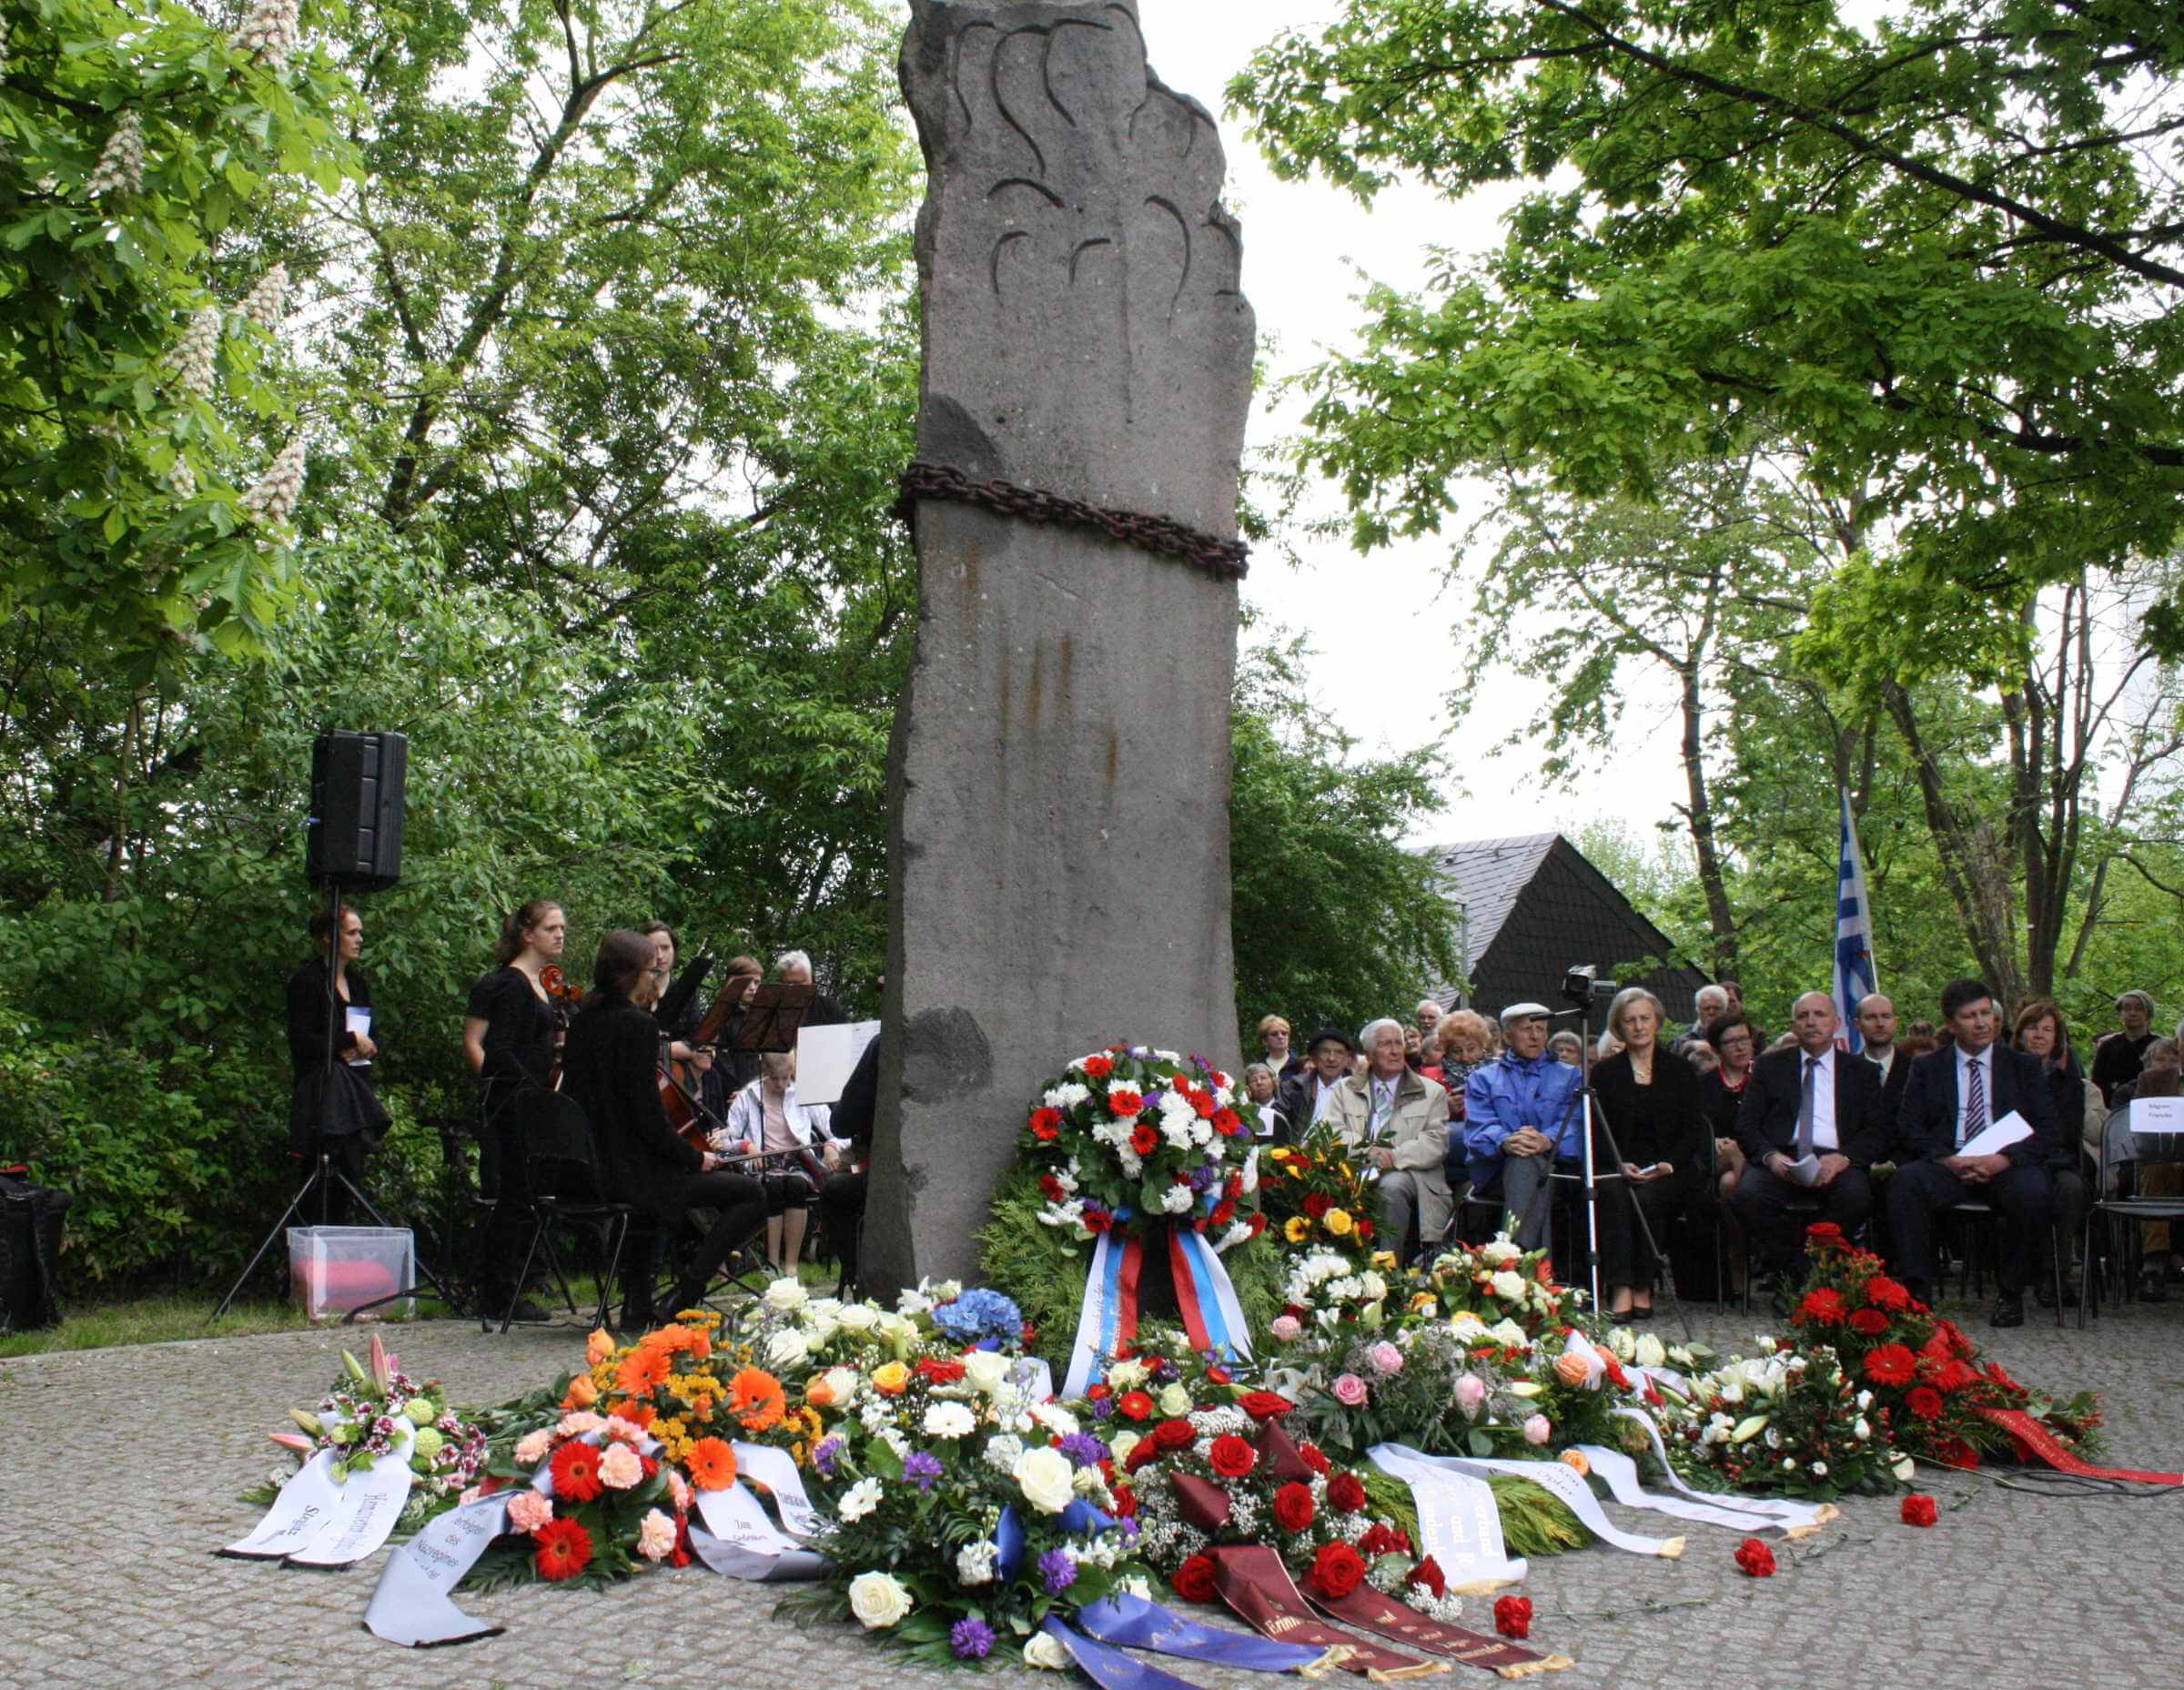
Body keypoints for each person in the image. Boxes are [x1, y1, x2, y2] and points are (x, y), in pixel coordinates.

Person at [560, 929, 765, 1330]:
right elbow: (648, 1120)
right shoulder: (637, 1027)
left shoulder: (582, 1023)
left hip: (588, 1171)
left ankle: (638, 1303)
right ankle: (683, 1297)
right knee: (750, 1194)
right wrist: (696, 1157)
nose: (655, 979)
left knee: (664, 1194)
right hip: (631, 1176)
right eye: (651, 972)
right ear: (633, 976)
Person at [1889, 978, 2059, 1328]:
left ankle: (2011, 1293)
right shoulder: (1927, 1067)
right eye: (1970, 1016)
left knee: (2033, 1191)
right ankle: (1917, 1294)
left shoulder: (2023, 1066)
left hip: (2005, 1164)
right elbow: (1908, 1127)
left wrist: (2004, 1160)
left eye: (1986, 1013)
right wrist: (1947, 1159)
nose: (1982, 1023)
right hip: (1949, 1163)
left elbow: (2047, 1128)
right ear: (1951, 1024)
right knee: (1906, 1183)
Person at [1731, 992, 1887, 1287]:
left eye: (1819, 1014)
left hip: (1838, 1158)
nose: (1811, 1022)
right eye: (1803, 1016)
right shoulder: (1769, 1066)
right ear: (1793, 1025)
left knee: (1857, 1197)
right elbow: (1747, 1124)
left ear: (1837, 1023)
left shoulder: (1862, 1072)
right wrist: (1771, 1157)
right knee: (1747, 1197)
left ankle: (1802, 1272)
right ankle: (1799, 1271)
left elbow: (1877, 1130)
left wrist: (1844, 1158)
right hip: (1783, 1157)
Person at [462, 898, 568, 1320]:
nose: (560, 935)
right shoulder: (509, 984)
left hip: (533, 1099)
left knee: (526, 1196)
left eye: (562, 928)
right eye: (551, 928)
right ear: (528, 935)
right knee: (513, 1196)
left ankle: (513, 1285)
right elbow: (499, 1049)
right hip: (514, 1103)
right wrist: (530, 1092)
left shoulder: (545, 983)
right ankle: (499, 1293)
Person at [1588, 988, 1705, 1321]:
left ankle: (1643, 1284)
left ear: (1657, 1022)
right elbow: (1596, 1130)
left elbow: (1693, 1129)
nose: (1638, 1027)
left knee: (1649, 1197)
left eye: (1644, 1019)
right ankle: (1622, 1286)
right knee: (1615, 1193)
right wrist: (1617, 1163)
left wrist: (1669, 1164)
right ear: (1619, 1028)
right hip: (1618, 1164)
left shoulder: (1681, 1070)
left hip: (1670, 1167)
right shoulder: (1605, 1073)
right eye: (1630, 1021)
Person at [284, 904, 389, 1222]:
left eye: (360, 933)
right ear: (328, 937)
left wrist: (362, 1046)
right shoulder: (307, 981)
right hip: (320, 1094)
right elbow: (302, 1041)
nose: (359, 939)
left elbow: (369, 1036)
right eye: (351, 932)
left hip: (354, 1089)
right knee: (316, 1182)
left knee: (350, 1177)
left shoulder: (358, 984)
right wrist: (347, 1042)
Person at [1463, 1003, 1584, 1250]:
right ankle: (1529, 1269)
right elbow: (1478, 1129)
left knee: (1529, 1165)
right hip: (1497, 1170)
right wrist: (1506, 1141)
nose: (1535, 1036)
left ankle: (1514, 1260)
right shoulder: (1482, 1078)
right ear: (1507, 1036)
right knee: (1523, 1163)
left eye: (1541, 1029)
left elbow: (1575, 1124)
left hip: (1559, 1170)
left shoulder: (1572, 1076)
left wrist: (1547, 1140)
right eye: (1527, 1029)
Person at [1329, 1018, 1451, 1260]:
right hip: (1357, 1166)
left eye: (1399, 1043)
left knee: (1392, 1186)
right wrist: (1367, 1151)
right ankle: (1333, 1267)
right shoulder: (1345, 1089)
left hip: (1414, 1174)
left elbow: (1436, 1143)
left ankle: (1386, 1268)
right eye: (1386, 1044)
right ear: (1370, 1053)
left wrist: (1394, 1156)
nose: (1395, 1051)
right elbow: (1332, 1132)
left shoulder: (1433, 1091)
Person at [720, 1048, 844, 1276]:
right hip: (763, 1160)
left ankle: (791, 1264)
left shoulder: (803, 1092)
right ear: (765, 1071)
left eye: (786, 1078)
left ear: (793, 1072)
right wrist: (749, 1147)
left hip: (797, 1159)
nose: (781, 1084)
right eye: (775, 1078)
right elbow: (727, 1139)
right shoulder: (749, 1095)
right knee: (774, 1187)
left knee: (796, 1186)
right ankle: (772, 1261)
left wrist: (831, 1146)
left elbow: (836, 1129)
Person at [2012, 1000, 2098, 1308]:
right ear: (2020, 1033)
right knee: (2029, 1189)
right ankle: (2023, 1275)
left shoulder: (2069, 1078)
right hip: (2017, 1157)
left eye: (2048, 1029)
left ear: (2057, 1037)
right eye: (2033, 1028)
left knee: (2070, 1188)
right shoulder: (2005, 1072)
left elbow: (2070, 1129)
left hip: (2060, 1156)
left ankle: (2056, 1275)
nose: (2040, 1035)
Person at [1699, 1013, 1759, 1294]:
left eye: (1744, 1039)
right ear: (1716, 1048)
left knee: (1730, 1183)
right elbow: (1695, 1126)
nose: (1740, 1047)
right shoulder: (1705, 1084)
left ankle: (1738, 1258)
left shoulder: (1766, 1079)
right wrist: (1713, 1141)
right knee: (1728, 1166)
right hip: (1711, 1161)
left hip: (1759, 1158)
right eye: (1731, 1041)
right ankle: (1740, 1260)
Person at [818, 1032, 880, 1290]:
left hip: (888, 1175)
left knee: (835, 1190)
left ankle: (856, 1274)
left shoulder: (883, 1043)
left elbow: (842, 1123)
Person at [1435, 1011, 1494, 1195]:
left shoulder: (1496, 1075)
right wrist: (1445, 1108)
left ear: (1483, 1047)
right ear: (1446, 1050)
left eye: (1471, 1049)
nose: (1465, 1057)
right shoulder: (1432, 1076)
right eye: (1457, 1051)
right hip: (1444, 1156)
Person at [1277, 1026, 1354, 1138]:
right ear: (1313, 1057)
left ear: (1348, 1059)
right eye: (1325, 1051)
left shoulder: (1359, 1090)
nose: (1331, 1058)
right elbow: (1279, 1125)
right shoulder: (1293, 1088)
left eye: (1339, 1052)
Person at [2091, 990, 2159, 1108]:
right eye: (2127, 1008)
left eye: (2138, 1009)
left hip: (2151, 1109)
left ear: (2148, 1014)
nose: (2132, 1013)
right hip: (2113, 1110)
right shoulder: (2108, 1046)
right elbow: (2098, 1083)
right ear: (2120, 1014)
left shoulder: (2159, 1046)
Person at [1857, 993, 1913, 1127]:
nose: (1880, 1023)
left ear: (1895, 1022)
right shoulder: (1845, 1072)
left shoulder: (1916, 1070)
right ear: (1858, 1024)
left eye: (1886, 1016)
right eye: (1871, 1017)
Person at [1258, 1015, 1307, 1085]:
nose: (1280, 1037)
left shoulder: (1300, 1065)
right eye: (1274, 1034)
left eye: (1284, 1033)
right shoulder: (1257, 1067)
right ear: (1265, 1041)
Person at [1240, 1062, 1285, 1138]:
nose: (1259, 1083)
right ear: (1248, 1088)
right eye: (1253, 1080)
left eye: (1263, 1078)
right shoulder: (1244, 1113)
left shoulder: (1285, 1107)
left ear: (1274, 1083)